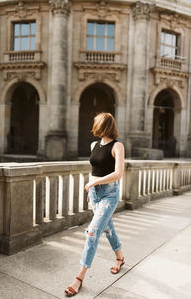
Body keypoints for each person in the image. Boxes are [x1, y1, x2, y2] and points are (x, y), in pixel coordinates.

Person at [65, 112, 125, 297]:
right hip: (95, 194)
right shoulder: (94, 144)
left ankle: (79, 277)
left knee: (92, 233)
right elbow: (94, 170)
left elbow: (118, 174)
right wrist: (91, 192)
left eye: (96, 123)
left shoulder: (118, 146)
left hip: (109, 194)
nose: (94, 126)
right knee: (107, 229)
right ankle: (120, 258)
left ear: (103, 125)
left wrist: (93, 184)